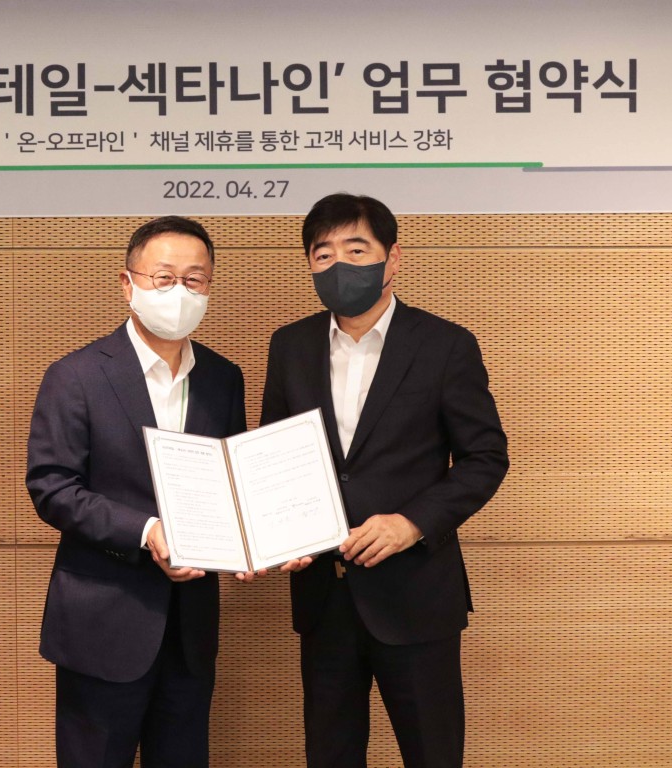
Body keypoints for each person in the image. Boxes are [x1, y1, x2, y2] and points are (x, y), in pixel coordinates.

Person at [263, 193, 509, 767]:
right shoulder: (290, 345)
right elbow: (274, 455)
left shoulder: (444, 345)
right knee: (330, 754)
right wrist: (282, 533)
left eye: (356, 250)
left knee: (433, 754)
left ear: (391, 258)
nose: (339, 265)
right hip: (324, 596)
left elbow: (485, 457)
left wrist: (412, 523)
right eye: (323, 254)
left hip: (415, 594)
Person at [26, 216, 252, 768]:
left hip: (190, 628)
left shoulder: (223, 378)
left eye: (194, 280)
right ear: (127, 285)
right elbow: (52, 486)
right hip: (103, 622)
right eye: (164, 278)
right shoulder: (76, 375)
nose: (180, 292)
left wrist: (253, 542)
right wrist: (148, 531)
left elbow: (232, 484)